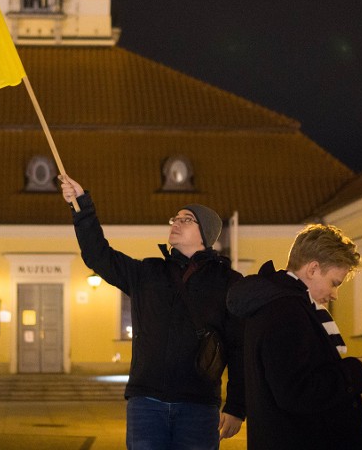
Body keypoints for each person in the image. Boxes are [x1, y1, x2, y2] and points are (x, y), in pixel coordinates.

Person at [60, 174, 245, 449]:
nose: (176, 222)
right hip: (146, 403)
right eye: (175, 218)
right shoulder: (148, 272)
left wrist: (237, 406)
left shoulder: (228, 282)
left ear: (205, 234)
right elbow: (99, 255)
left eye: (186, 219)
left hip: (198, 406)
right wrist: (81, 205)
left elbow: (239, 347)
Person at [226, 223, 362, 450]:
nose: (334, 295)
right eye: (334, 283)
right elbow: (298, 392)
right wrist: (354, 370)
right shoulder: (286, 311)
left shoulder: (281, 304)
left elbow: (312, 370)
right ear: (313, 269)